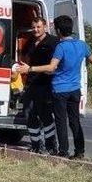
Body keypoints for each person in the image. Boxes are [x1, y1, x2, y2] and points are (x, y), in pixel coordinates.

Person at [18, 15, 92, 159]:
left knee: (61, 121)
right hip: (75, 90)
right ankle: (79, 151)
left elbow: (51, 67)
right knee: (75, 121)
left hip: (60, 90)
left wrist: (30, 69)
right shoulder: (82, 45)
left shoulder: (60, 47)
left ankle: (63, 151)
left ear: (57, 30)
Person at [20, 17, 59, 154]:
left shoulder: (53, 42)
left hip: (46, 84)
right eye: (34, 27)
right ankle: (36, 144)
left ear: (45, 27)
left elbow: (56, 64)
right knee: (29, 113)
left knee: (46, 115)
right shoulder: (30, 41)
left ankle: (51, 146)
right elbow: (24, 56)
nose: (36, 30)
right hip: (31, 84)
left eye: (38, 27)